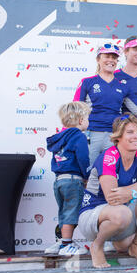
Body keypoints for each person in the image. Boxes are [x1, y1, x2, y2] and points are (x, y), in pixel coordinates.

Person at [77, 113, 137, 268]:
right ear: (118, 137)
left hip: (122, 216)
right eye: (130, 132)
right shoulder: (109, 156)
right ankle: (97, 246)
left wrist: (133, 192)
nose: (136, 136)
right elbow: (113, 198)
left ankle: (135, 246)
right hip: (92, 216)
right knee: (121, 212)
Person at [44, 101, 91, 256]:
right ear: (80, 120)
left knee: (64, 212)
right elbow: (83, 158)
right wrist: (87, 176)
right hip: (73, 180)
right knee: (71, 212)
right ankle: (66, 245)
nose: (88, 121)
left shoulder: (58, 138)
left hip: (58, 180)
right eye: (87, 118)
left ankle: (61, 242)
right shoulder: (79, 136)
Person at [73, 43, 131, 166]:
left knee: (110, 173)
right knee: (88, 172)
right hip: (91, 133)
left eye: (114, 57)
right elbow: (75, 109)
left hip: (114, 136)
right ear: (98, 59)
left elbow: (129, 111)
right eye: (107, 56)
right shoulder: (87, 82)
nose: (111, 60)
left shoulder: (123, 85)